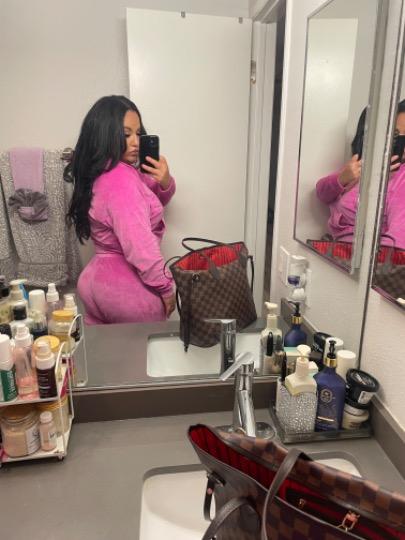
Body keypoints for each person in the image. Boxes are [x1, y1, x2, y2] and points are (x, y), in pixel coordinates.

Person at [65, 95, 176, 324]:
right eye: (126, 135)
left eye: (138, 133)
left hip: (98, 279)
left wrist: (165, 182)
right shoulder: (121, 180)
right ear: (105, 136)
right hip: (123, 287)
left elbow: (147, 204)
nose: (136, 142)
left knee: (103, 347)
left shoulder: (107, 172)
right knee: (146, 346)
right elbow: (140, 244)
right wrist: (166, 287)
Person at [316, 100, 405, 248]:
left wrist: (353, 258)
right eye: (396, 134)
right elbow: (321, 193)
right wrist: (342, 178)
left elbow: (397, 244)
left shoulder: (402, 179)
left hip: (358, 258)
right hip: (338, 251)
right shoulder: (369, 163)